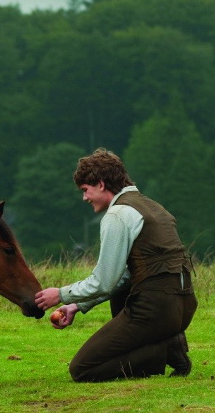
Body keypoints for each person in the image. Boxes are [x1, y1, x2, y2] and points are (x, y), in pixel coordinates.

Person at [35, 148, 197, 382]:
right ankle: (167, 343)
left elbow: (105, 281)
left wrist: (61, 295)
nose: (84, 198)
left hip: (155, 310)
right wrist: (77, 306)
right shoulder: (152, 206)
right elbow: (123, 277)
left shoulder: (119, 214)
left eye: (85, 190)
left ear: (101, 184)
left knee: (82, 369)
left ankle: (166, 349)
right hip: (182, 307)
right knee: (119, 306)